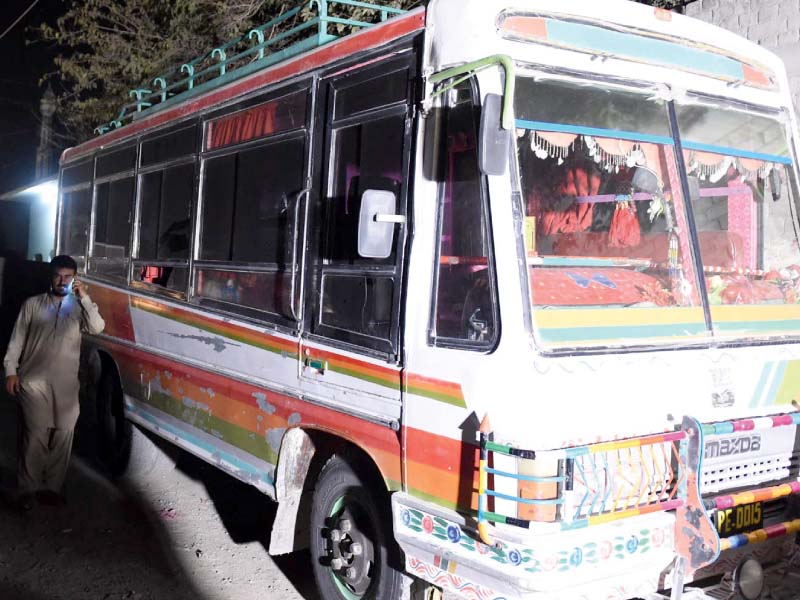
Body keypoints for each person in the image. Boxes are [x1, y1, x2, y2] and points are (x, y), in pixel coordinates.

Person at [3, 255, 105, 510]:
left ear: (75, 278)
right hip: (33, 381)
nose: (63, 281)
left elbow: (97, 327)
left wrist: (85, 297)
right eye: (59, 275)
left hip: (66, 385)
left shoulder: (80, 308)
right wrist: (10, 371)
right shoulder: (33, 305)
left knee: (63, 433)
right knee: (35, 433)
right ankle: (28, 488)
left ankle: (52, 487)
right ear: (51, 276)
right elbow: (17, 340)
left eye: (68, 276)